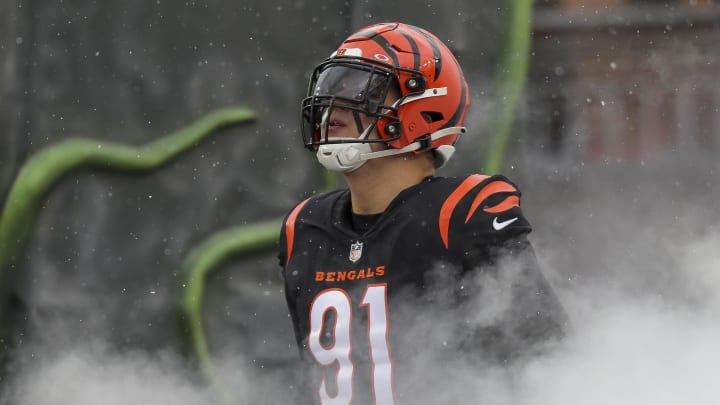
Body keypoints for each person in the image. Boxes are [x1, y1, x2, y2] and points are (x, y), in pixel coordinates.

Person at [278, 22, 567, 404]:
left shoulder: (460, 214)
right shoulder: (305, 226)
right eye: (330, 85)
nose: (333, 103)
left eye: (357, 86)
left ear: (423, 108)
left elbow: (550, 361)